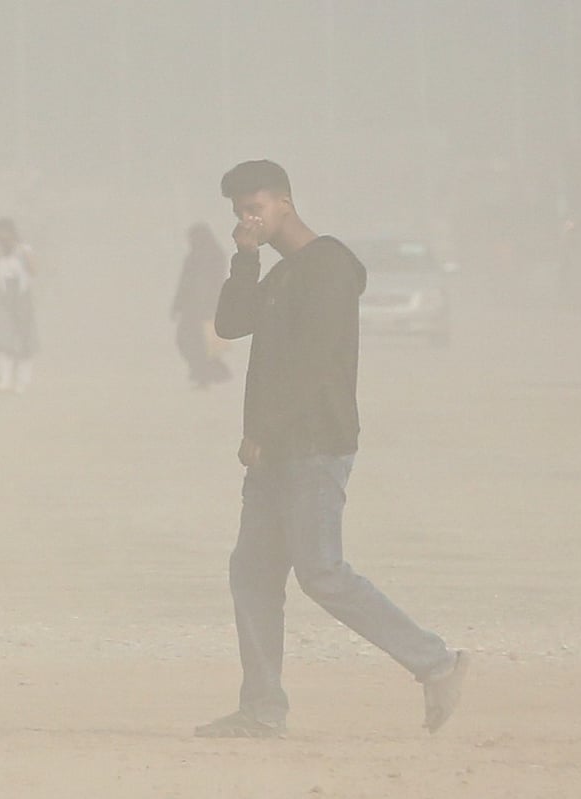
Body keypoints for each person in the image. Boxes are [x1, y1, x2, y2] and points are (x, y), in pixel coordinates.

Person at [195, 160, 467, 739]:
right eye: (240, 211)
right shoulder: (281, 272)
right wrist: (245, 256)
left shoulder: (329, 266)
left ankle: (436, 663)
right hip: (277, 454)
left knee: (322, 572)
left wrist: (262, 431)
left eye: (257, 208)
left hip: (314, 445)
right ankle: (263, 709)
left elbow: (316, 364)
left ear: (285, 203)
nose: (248, 217)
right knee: (252, 573)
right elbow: (230, 321)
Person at [171, 223, 232, 388]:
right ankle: (209, 372)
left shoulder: (214, 256)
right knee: (186, 340)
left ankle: (207, 374)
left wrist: (211, 306)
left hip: (206, 308)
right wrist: (178, 304)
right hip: (193, 307)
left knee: (199, 342)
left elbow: (215, 284)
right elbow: (185, 282)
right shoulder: (194, 257)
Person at [0, 218, 39, 393]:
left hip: (22, 298)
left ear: (11, 232)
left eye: (2, 232)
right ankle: (4, 380)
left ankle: (22, 382)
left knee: (25, 339)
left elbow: (34, 271)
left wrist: (24, 258)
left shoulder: (24, 250)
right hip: (3, 298)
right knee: (3, 338)